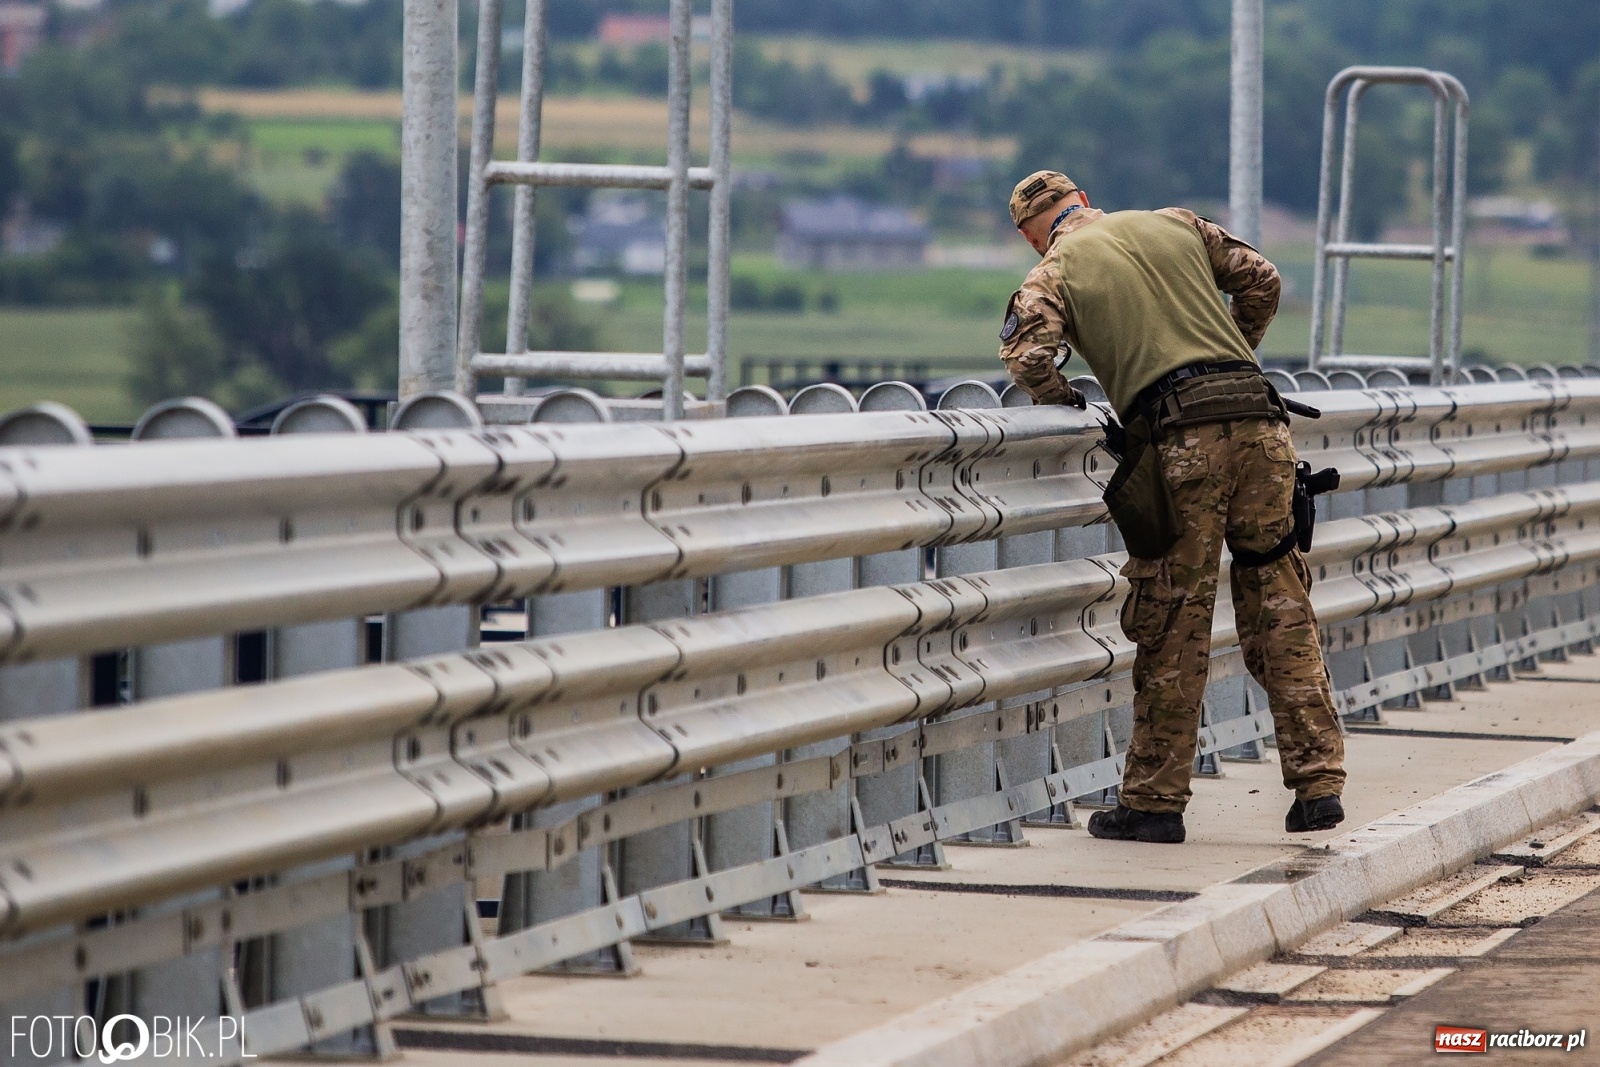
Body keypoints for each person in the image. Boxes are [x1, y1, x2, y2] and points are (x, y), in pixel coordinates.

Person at [997, 169, 1346, 844]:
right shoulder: (1176, 222)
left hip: (1181, 442)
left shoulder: (1055, 268)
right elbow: (1263, 279)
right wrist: (1233, 350)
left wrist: (1068, 400)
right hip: (1262, 421)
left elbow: (1029, 356)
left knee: (1173, 616)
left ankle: (1155, 802)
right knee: (1281, 601)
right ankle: (1319, 783)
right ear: (1086, 200)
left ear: (1031, 234)